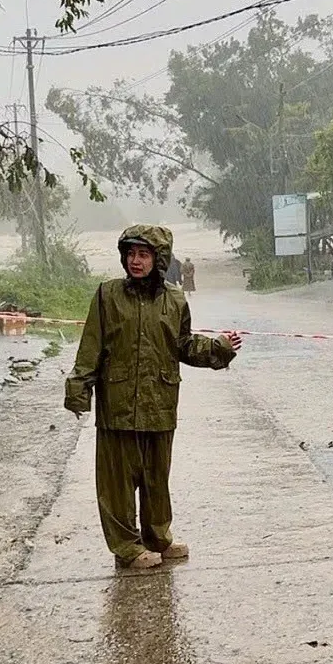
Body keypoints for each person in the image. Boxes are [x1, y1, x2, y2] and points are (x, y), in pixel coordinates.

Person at [64, 225, 242, 569]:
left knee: (156, 478)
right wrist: (79, 389)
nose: (136, 261)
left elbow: (183, 345)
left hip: (160, 400)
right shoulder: (107, 295)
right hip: (118, 402)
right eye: (131, 254)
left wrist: (219, 347)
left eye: (144, 254)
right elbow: (91, 346)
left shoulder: (175, 299)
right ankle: (127, 548)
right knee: (117, 482)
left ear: (158, 259)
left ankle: (158, 537)